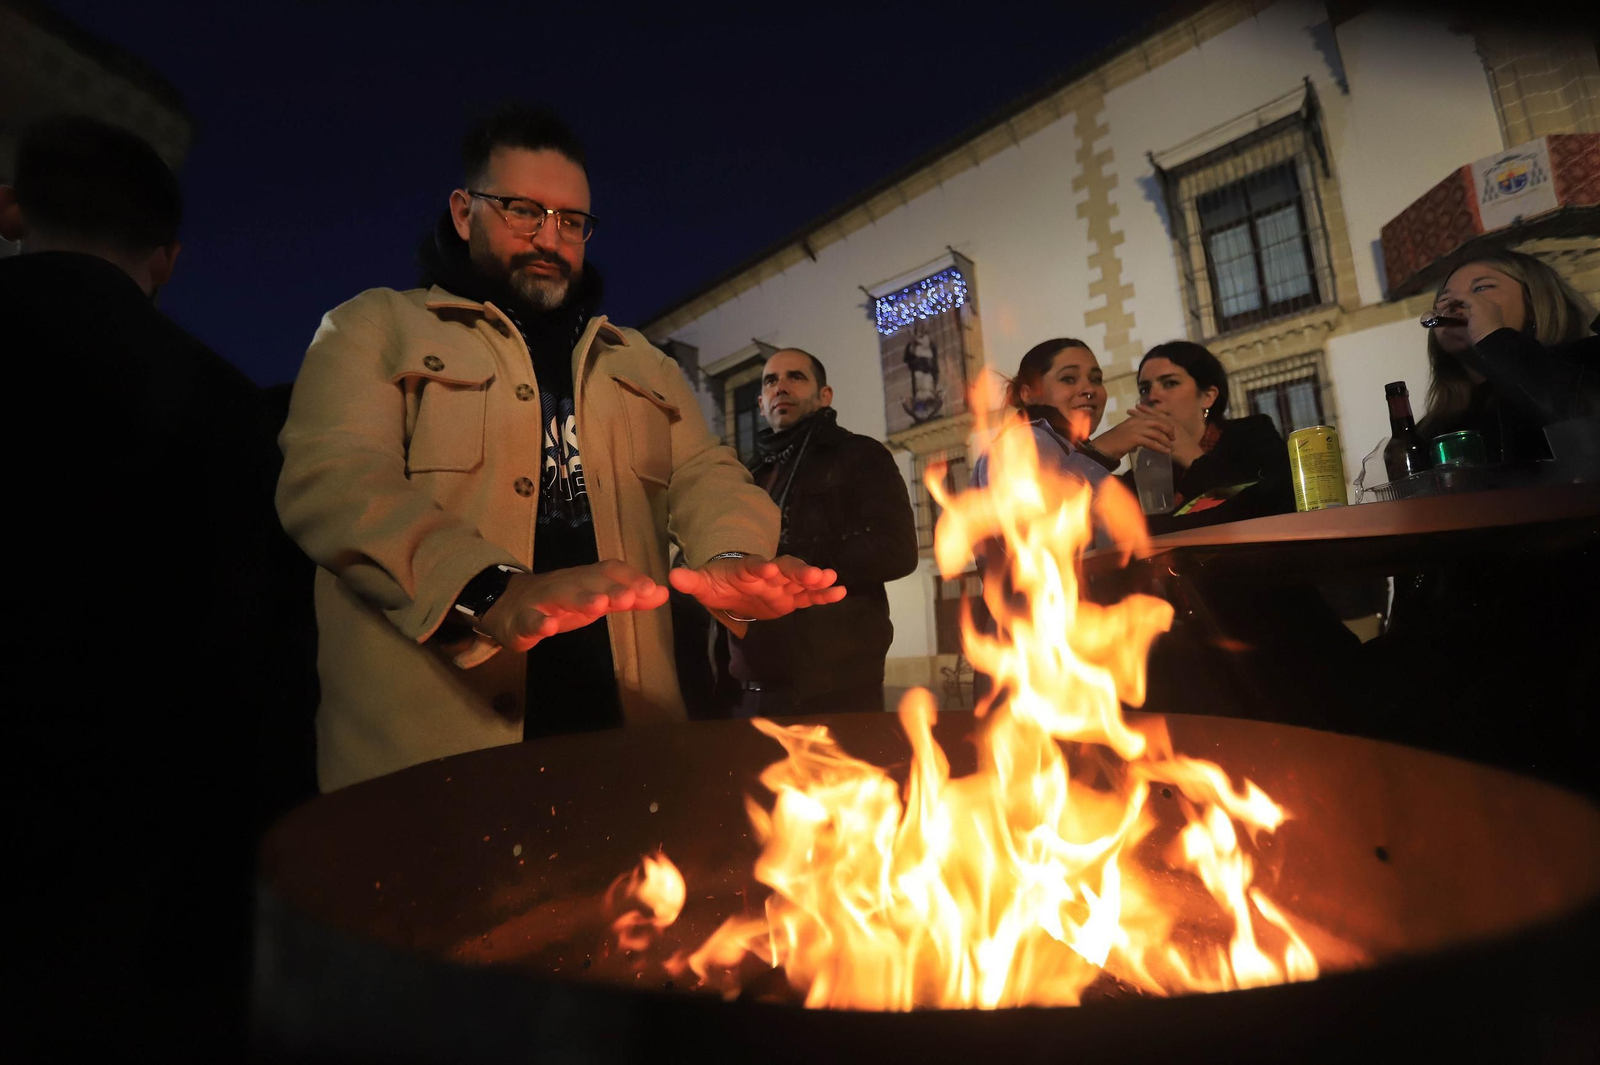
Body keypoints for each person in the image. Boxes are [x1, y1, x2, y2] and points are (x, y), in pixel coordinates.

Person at [277, 105, 841, 791]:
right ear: (463, 211)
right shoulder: (373, 327)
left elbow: (703, 470)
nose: (550, 238)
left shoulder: (640, 361)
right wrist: (490, 590)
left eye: (572, 222)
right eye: (524, 211)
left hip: (625, 744)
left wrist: (730, 554)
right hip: (434, 766)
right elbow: (333, 481)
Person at [1, 115, 300, 1053]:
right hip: (149, 865)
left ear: (11, 213)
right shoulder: (219, 405)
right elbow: (265, 653)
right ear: (167, 258)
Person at [726, 349, 919, 715]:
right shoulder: (746, 475)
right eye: (771, 381)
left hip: (835, 689)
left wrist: (794, 559)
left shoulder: (858, 455)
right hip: (749, 690)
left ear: (824, 395)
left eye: (795, 377)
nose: (781, 387)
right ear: (760, 402)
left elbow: (896, 548)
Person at [1418, 250, 1599, 466]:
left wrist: (1493, 337)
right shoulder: (1431, 430)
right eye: (1444, 299)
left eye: (1481, 288)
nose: (1454, 305)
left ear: (1533, 303)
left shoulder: (1588, 359)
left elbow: (1585, 421)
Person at [1120, 341, 1294, 533]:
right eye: (1144, 389)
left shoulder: (1253, 437)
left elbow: (1275, 508)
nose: (1152, 396)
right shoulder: (1145, 468)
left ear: (1208, 396)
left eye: (1170, 383)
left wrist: (1195, 459)